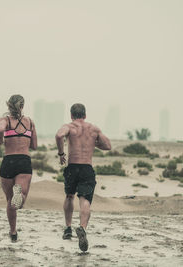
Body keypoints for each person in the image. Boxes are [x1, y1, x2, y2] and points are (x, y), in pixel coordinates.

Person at [55, 103, 111, 252]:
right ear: (85, 115)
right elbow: (108, 145)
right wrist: (92, 142)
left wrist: (61, 154)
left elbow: (59, 135)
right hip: (87, 167)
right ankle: (82, 228)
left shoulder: (69, 126)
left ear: (72, 115)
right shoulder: (93, 128)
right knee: (85, 200)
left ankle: (68, 228)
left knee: (69, 196)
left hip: (73, 166)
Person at [0, 94, 37, 242]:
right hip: (24, 161)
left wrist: (0, 141)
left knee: (9, 200)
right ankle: (20, 196)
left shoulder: (5, 120)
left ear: (9, 105)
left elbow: (0, 129)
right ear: (22, 106)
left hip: (8, 161)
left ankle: (13, 232)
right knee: (20, 196)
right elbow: (34, 146)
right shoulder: (30, 122)